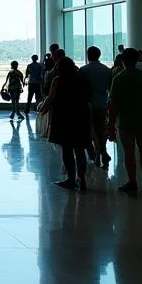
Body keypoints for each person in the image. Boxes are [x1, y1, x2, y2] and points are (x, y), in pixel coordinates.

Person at [107, 47, 142, 196]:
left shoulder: (119, 78)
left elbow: (114, 104)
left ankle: (132, 181)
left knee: (129, 151)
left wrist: (110, 124)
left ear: (122, 60)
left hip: (126, 120)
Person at [45, 57, 92, 191]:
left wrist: (43, 107)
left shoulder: (58, 80)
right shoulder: (82, 79)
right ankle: (82, 178)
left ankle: (71, 178)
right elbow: (88, 96)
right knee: (80, 148)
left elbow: (51, 97)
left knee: (67, 149)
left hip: (63, 116)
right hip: (81, 115)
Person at [80, 46, 112, 168]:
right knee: (101, 130)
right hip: (103, 104)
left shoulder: (84, 70)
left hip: (88, 105)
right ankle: (102, 152)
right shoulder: (106, 70)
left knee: (90, 131)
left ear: (88, 55)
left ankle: (98, 154)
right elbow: (110, 88)